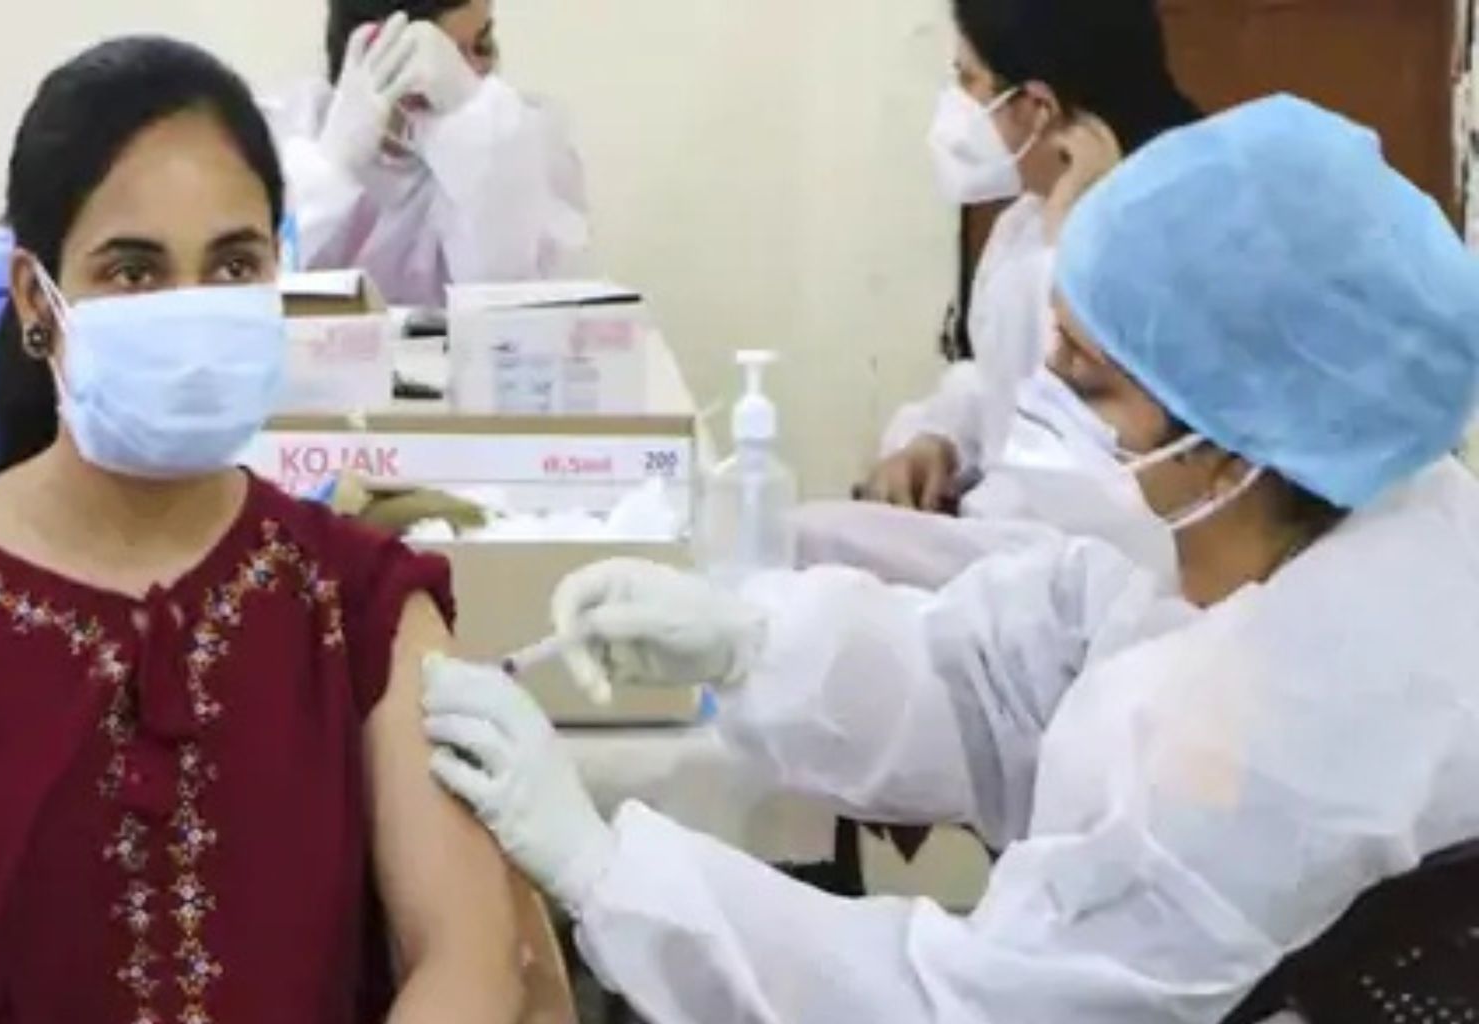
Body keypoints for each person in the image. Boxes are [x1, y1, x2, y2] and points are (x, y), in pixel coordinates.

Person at [419, 96, 1479, 1021]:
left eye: (1089, 381)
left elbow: (978, 1005)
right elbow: (1003, 674)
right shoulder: (1296, 499)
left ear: (1230, 432)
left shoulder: (1308, 710)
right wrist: (751, 646)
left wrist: (611, 877)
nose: (1046, 406)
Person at [0, 36, 524, 1024]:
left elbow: (468, 964)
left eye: (234, 263)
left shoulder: (366, 608)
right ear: (36, 299)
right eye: (133, 272)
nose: (191, 312)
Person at [864, 0, 1198, 511]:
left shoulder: (1162, 244)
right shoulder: (1023, 224)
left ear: (1038, 107)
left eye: (968, 79)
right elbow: (996, 382)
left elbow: (1087, 454)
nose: (955, 103)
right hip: (1018, 531)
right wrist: (939, 439)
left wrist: (1071, 244)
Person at [263, 0, 588, 307]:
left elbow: (520, 300)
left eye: (482, 44)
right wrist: (331, 167)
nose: (474, 71)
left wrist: (470, 121)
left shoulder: (520, 138)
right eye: (452, 56)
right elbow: (262, 292)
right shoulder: (279, 134)